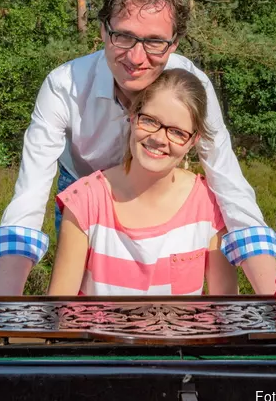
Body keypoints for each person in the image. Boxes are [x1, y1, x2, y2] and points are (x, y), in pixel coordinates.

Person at [0, 0, 276, 295]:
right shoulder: (63, 86)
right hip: (83, 189)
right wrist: (5, 310)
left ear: (175, 42)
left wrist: (274, 301)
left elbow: (229, 183)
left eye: (154, 42)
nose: (136, 58)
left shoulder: (193, 85)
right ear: (104, 30)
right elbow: (30, 196)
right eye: (123, 36)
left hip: (162, 190)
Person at [48, 69, 262, 295]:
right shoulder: (85, 201)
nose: (159, 139)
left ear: (194, 141)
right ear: (133, 116)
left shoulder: (209, 204)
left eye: (177, 132)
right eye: (150, 121)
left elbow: (225, 311)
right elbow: (61, 311)